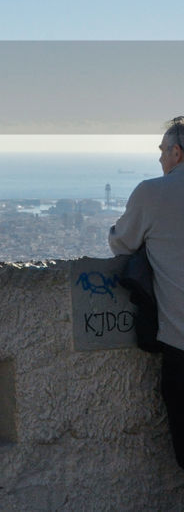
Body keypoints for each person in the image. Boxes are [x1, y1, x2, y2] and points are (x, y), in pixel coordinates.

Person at [109, 115, 184, 468]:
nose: (159, 159)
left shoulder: (153, 193)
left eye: (162, 151)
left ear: (177, 153)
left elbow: (121, 242)